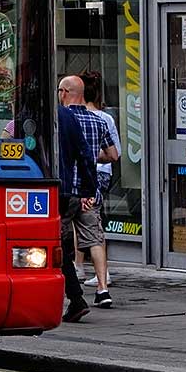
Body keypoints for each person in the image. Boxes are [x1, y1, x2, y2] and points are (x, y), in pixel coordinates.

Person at [58, 75, 120, 308]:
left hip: (65, 189)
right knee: (94, 237)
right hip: (87, 190)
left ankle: (74, 281)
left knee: (63, 240)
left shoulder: (62, 119)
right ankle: (103, 288)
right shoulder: (98, 121)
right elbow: (113, 155)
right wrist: (93, 156)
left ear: (64, 92)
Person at [75, 69, 123, 306]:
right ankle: (101, 279)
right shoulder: (104, 118)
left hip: (80, 180)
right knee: (94, 225)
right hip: (99, 177)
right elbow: (115, 153)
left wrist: (85, 158)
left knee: (78, 223)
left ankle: (77, 268)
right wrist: (96, 157)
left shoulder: (68, 117)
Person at [57, 99, 100, 323]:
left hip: (37, 190)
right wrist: (88, 188)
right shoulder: (67, 116)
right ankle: (75, 299)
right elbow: (84, 153)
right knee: (61, 246)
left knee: (56, 247)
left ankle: (75, 299)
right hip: (64, 190)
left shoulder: (27, 115)